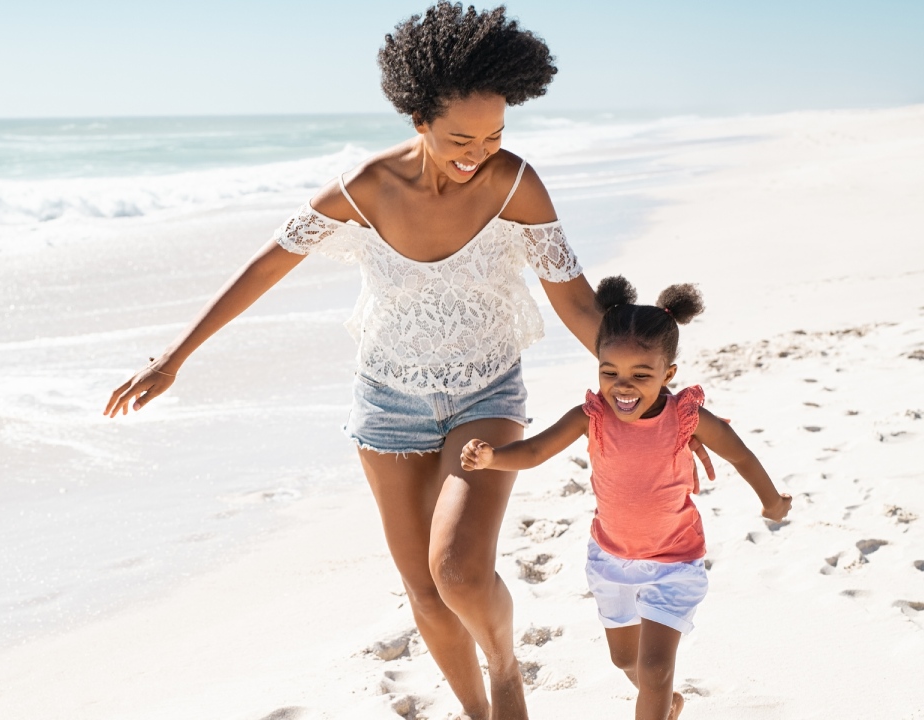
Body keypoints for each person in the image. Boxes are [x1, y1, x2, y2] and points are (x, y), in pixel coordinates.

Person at [105, 4, 710, 719]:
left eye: (494, 135)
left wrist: (653, 403)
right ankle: (481, 713)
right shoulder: (365, 187)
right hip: (386, 405)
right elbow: (268, 267)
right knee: (422, 589)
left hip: (487, 392)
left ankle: (505, 670)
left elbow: (581, 307)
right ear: (417, 116)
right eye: (460, 137)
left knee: (456, 568)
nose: (477, 151)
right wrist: (175, 357)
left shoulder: (515, 185)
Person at [460, 276, 793, 720]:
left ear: (668, 374)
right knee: (625, 661)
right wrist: (492, 458)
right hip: (610, 559)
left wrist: (771, 502)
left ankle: (658, 698)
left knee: (656, 669)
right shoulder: (591, 417)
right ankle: (664, 702)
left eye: (641, 374)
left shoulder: (687, 418)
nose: (623, 386)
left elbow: (741, 455)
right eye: (609, 372)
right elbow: (536, 450)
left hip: (674, 561)